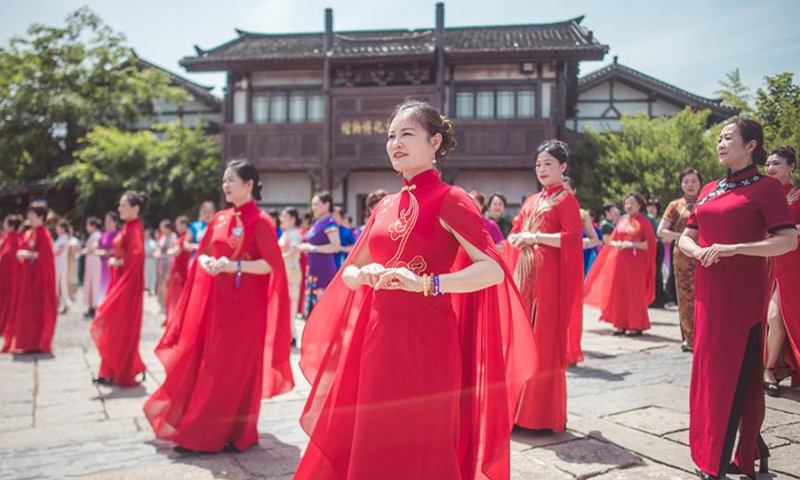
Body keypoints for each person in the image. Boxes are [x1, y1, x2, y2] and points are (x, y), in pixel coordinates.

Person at [294, 100, 535, 480]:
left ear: (435, 142)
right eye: (391, 135)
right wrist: (366, 273)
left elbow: (492, 271)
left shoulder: (451, 199)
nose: (396, 143)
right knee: (373, 434)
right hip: (377, 338)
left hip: (428, 342)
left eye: (407, 134)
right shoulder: (386, 206)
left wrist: (427, 283)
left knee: (422, 438)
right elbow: (350, 272)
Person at [145, 160, 293, 453]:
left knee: (230, 369)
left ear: (249, 185)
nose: (225, 185)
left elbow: (271, 265)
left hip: (246, 310)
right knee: (212, 365)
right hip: (218, 305)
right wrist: (210, 263)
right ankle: (218, 429)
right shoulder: (220, 219)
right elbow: (201, 254)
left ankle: (211, 433)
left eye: (231, 180)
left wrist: (235, 265)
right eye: (224, 180)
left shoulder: (260, 221)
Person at [678, 119, 796, 479]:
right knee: (709, 373)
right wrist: (697, 252)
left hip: (742, 295)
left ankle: (720, 459)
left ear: (751, 145)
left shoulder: (766, 188)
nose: (720, 143)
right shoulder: (711, 189)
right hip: (708, 292)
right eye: (718, 138)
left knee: (732, 373)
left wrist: (734, 249)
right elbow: (686, 235)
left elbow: (787, 240)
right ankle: (731, 449)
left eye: (728, 137)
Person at [503, 139, 583, 432]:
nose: (542, 169)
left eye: (548, 163)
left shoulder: (567, 200)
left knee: (543, 342)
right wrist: (515, 238)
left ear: (563, 167)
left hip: (548, 283)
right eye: (538, 164)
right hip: (525, 276)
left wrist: (534, 238)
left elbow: (572, 238)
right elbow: (516, 229)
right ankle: (515, 411)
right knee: (520, 340)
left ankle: (539, 415)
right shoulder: (532, 200)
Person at [90, 191, 148, 386]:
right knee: (114, 326)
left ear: (135, 209)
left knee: (115, 325)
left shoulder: (135, 230)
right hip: (119, 282)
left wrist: (117, 261)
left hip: (126, 286)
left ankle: (121, 369)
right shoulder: (129, 227)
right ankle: (112, 370)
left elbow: (137, 258)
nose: (119, 208)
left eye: (123, 205)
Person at [585, 192, 656, 336]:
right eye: (627, 203)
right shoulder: (622, 221)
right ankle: (620, 323)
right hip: (620, 262)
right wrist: (619, 243)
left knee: (635, 293)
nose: (629, 206)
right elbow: (611, 240)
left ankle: (636, 324)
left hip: (636, 263)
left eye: (633, 203)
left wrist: (631, 244)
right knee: (620, 291)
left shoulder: (644, 222)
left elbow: (649, 245)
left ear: (640, 206)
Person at [763, 146, 800, 396]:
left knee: (785, 317)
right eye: (767, 164)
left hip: (793, 264)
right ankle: (770, 368)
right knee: (772, 317)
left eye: (776, 163)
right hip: (766, 263)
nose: (770, 168)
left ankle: (774, 367)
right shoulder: (763, 194)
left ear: (791, 167)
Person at [2, 202, 58, 354]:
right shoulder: (31, 233)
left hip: (38, 281)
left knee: (37, 312)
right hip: (28, 279)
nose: (29, 218)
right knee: (27, 312)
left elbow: (46, 258)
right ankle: (27, 342)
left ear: (41, 217)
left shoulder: (43, 234)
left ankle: (38, 342)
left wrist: (28, 254)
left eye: (32, 216)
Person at [657, 168, 702, 352]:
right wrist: (683, 236)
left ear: (700, 183)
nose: (690, 185)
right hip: (683, 256)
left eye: (693, 181)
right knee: (686, 296)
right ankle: (690, 338)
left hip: (705, 253)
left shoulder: (708, 200)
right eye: (686, 181)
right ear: (681, 184)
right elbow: (661, 231)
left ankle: (706, 335)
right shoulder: (675, 205)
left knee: (706, 295)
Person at [298, 191, 341, 316]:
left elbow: (335, 246)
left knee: (323, 309)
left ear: (327, 204)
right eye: (312, 205)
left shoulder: (330, 223)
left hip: (324, 269)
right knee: (312, 310)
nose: (313, 208)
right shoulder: (318, 223)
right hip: (313, 270)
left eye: (316, 204)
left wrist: (313, 248)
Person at [562, 177, 602, 276]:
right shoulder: (548, 212)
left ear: (574, 191)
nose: (562, 194)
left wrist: (578, 244)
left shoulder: (581, 214)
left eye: (566, 190)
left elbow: (595, 240)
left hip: (575, 260)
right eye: (559, 190)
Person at [278, 207, 303, 344]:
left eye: (285, 217)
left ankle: (291, 334)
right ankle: (288, 333)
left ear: (292, 219)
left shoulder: (294, 234)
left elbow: (293, 251)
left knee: (290, 303)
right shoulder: (286, 234)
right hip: (285, 271)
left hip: (291, 272)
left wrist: (278, 258)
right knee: (286, 303)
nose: (282, 220)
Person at [163, 215, 190, 325]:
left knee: (177, 293)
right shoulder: (183, 237)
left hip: (180, 268)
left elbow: (176, 251)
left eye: (178, 224)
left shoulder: (184, 237)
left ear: (184, 225)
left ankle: (175, 318)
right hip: (179, 267)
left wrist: (167, 252)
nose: (176, 227)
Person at [0, 215, 23, 334]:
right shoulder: (8, 237)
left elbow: (11, 258)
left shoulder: (15, 239)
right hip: (4, 275)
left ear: (12, 226)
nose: (4, 226)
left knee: (7, 299)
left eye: (6, 223)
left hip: (9, 276)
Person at [646, 199, 667, 308]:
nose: (650, 209)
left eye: (653, 207)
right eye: (649, 206)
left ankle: (658, 299)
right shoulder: (646, 219)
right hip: (647, 247)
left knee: (657, 272)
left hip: (658, 247)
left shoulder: (659, 220)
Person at [82, 217, 104, 319]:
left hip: (95, 260)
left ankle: (95, 307)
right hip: (90, 260)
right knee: (89, 283)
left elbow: (95, 246)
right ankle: (90, 307)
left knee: (94, 284)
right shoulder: (93, 235)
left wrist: (87, 250)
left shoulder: (97, 234)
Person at [97, 211, 121, 300]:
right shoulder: (104, 235)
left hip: (114, 263)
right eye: (106, 221)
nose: (107, 223)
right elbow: (99, 247)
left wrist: (108, 252)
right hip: (104, 263)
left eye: (110, 221)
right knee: (103, 286)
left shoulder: (119, 234)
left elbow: (120, 249)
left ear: (115, 222)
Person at [155, 219, 176, 311]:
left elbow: (172, 248)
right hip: (161, 262)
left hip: (169, 262)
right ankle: (161, 304)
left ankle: (166, 304)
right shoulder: (162, 237)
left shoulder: (173, 236)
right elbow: (158, 247)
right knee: (160, 282)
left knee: (166, 283)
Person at [53, 220, 72, 314]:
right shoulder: (60, 238)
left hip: (61, 264)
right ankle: (60, 304)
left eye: (58, 227)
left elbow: (58, 252)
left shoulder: (64, 238)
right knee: (58, 284)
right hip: (57, 264)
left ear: (63, 229)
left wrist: (47, 254)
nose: (56, 229)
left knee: (61, 284)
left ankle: (65, 304)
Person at [144, 227, 157, 295]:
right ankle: (145, 287)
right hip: (144, 261)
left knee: (152, 274)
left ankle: (151, 288)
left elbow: (156, 250)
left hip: (152, 261)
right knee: (145, 274)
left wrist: (152, 254)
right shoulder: (141, 242)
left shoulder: (153, 242)